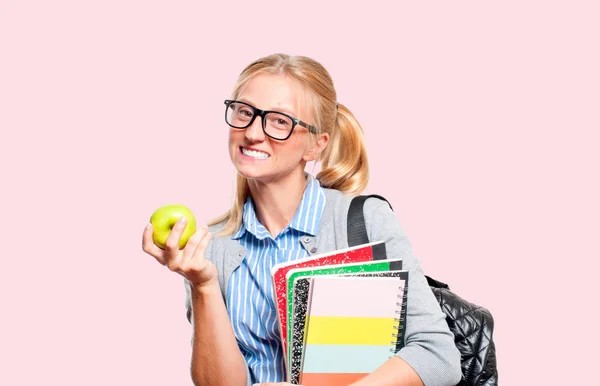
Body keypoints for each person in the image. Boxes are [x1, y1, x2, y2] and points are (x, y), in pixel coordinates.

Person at [142, 53, 462, 386]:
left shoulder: (363, 221)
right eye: (244, 112)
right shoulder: (212, 247)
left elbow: (438, 356)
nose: (252, 132)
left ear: (315, 145)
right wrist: (203, 285)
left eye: (279, 120)